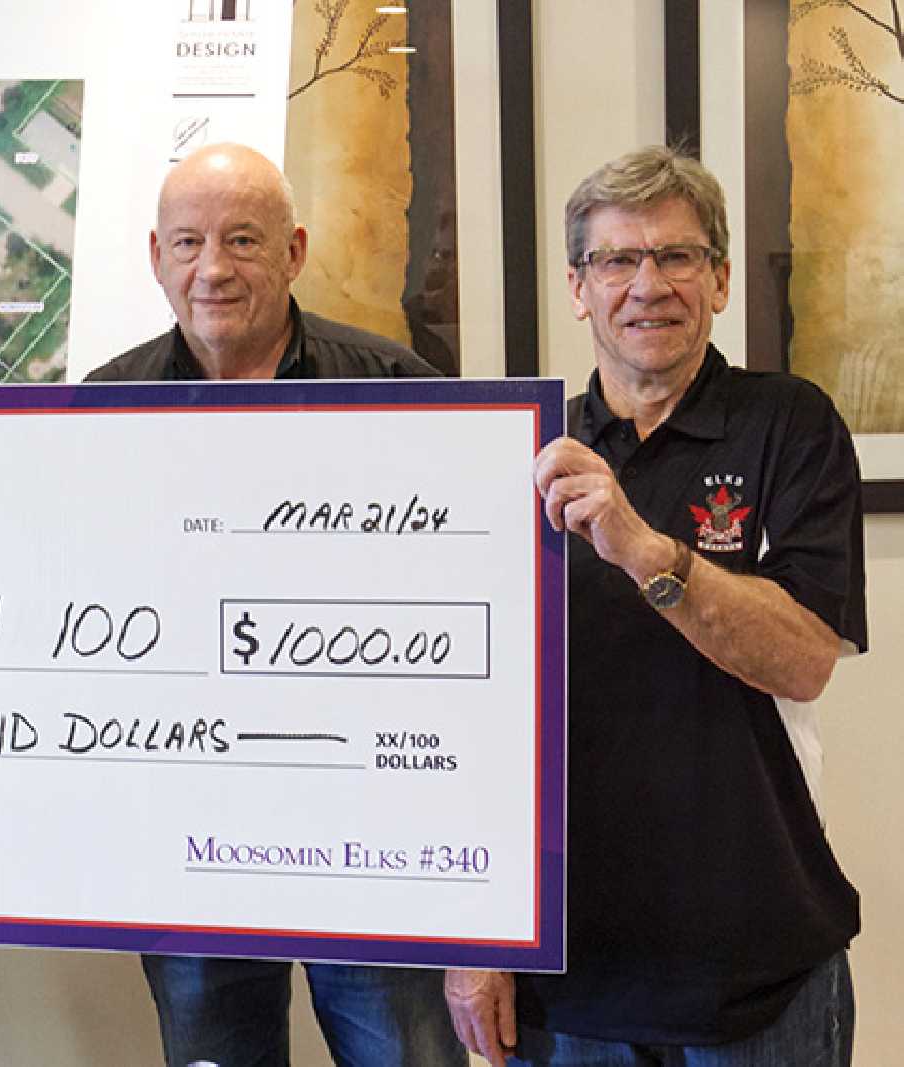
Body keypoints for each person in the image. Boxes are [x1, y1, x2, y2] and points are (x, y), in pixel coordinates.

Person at [445, 146, 867, 1066]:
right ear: (576, 287)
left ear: (718, 277)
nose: (649, 285)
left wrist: (644, 549)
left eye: (677, 257)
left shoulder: (790, 424)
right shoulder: (525, 445)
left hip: (756, 968)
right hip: (572, 972)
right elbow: (471, 715)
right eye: (616, 260)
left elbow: (802, 657)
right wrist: (475, 938)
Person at [86, 142, 464, 1067]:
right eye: (188, 243)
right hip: (189, 834)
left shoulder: (399, 392)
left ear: (294, 251)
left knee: (403, 1055)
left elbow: (459, 626)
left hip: (373, 826)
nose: (212, 268)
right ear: (155, 256)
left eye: (242, 240)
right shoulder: (100, 411)